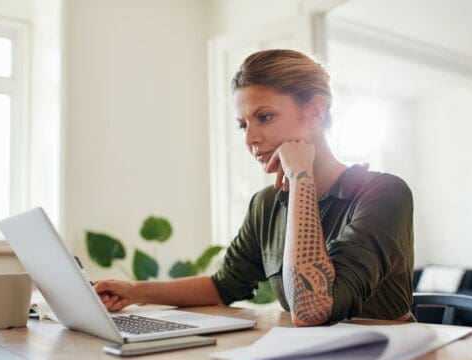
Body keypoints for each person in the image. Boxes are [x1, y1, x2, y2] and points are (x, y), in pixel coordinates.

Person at [94, 49, 414, 326]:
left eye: (265, 117)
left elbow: (312, 309)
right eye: (243, 125)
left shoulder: (384, 193)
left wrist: (301, 175)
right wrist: (136, 292)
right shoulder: (267, 203)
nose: (250, 139)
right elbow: (223, 286)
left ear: (314, 111)